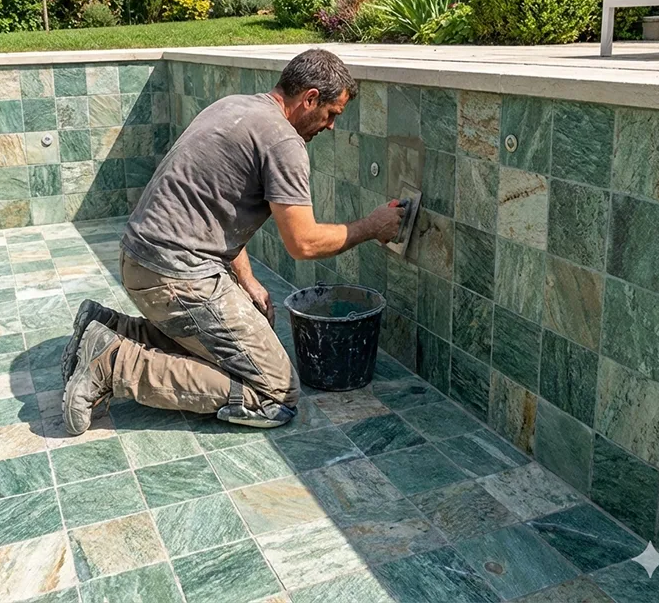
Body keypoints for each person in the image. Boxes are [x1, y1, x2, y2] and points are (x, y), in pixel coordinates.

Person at [61, 48, 404, 435]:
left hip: (141, 261)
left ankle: (105, 326)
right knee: (274, 392)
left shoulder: (234, 107)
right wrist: (373, 226)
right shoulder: (283, 142)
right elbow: (303, 243)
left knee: (227, 345)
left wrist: (247, 280)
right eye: (332, 114)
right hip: (176, 277)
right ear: (310, 98)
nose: (330, 127)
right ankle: (113, 363)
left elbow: (215, 205)